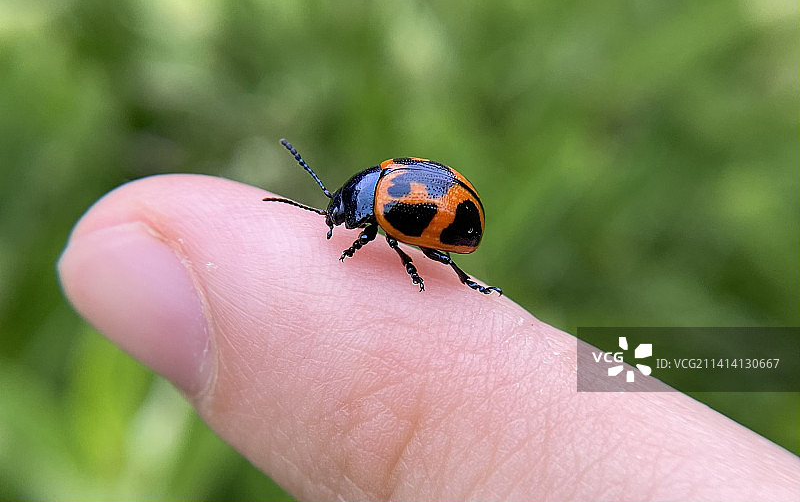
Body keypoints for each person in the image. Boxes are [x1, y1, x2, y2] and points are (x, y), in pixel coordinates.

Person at [58, 174, 799, 501]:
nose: (338, 228)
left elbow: (392, 232)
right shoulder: (377, 194)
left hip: (448, 225)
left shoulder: (382, 203)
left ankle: (458, 280)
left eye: (341, 223)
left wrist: (381, 253)